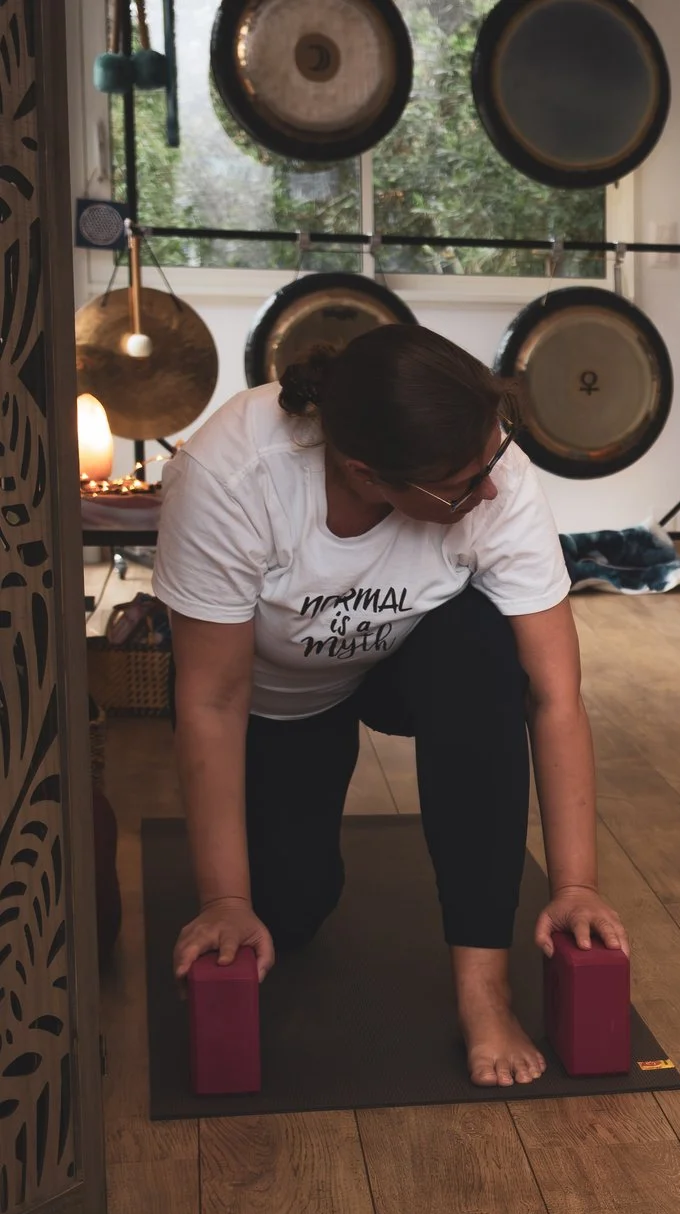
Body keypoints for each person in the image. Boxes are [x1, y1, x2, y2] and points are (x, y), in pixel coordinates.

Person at [154, 325, 626, 1088]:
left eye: (491, 462)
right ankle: (268, 871)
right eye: (464, 485)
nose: (492, 490)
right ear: (367, 473)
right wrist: (226, 899)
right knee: (291, 911)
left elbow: (554, 691)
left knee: (481, 644)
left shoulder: (491, 471)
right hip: (276, 704)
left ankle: (484, 991)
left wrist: (575, 882)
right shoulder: (234, 472)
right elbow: (213, 696)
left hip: (403, 662)